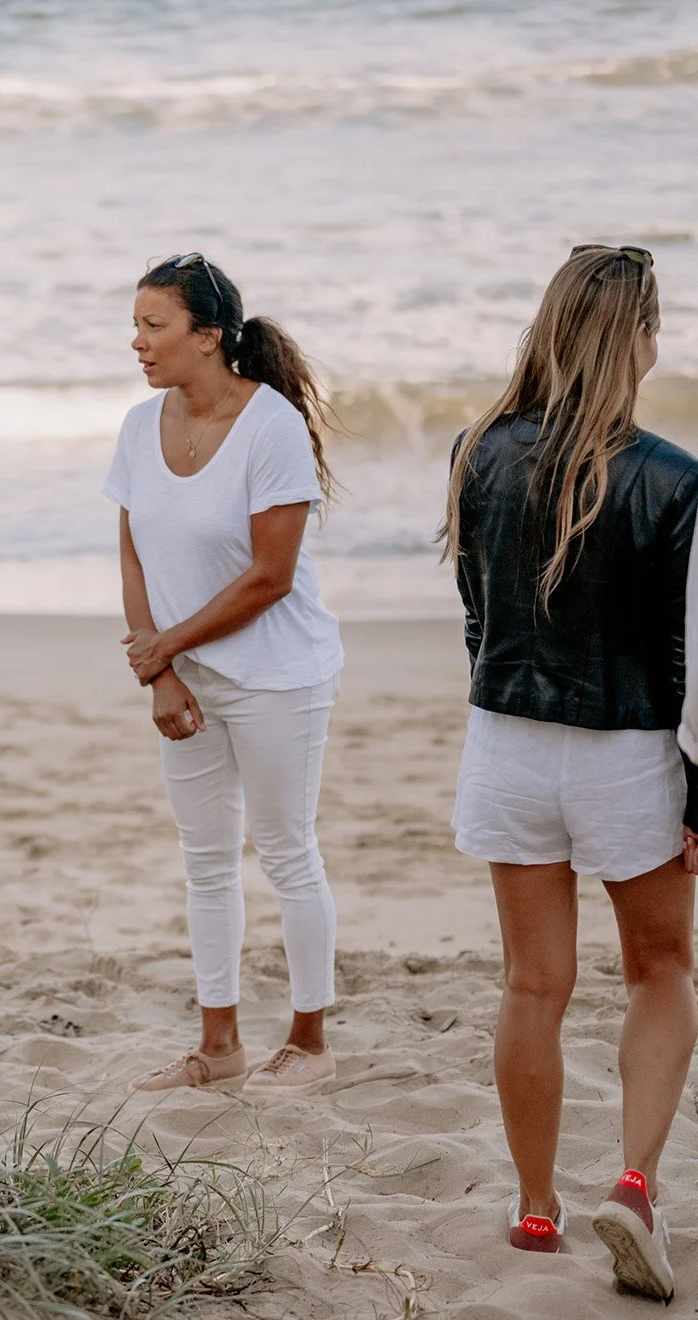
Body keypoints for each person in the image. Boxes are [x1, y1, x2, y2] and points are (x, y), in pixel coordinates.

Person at [447, 243, 698, 1295]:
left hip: (501, 745)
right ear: (636, 340)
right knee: (659, 972)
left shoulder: (474, 451)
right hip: (623, 756)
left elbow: (474, 616)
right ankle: (632, 1184)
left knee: (530, 985)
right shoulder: (673, 479)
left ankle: (534, 1208)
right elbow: (690, 652)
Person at [104, 253, 345, 1095]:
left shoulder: (270, 424)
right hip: (188, 673)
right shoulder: (140, 427)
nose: (137, 342)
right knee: (204, 859)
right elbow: (134, 549)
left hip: (279, 673)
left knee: (285, 850)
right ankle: (219, 1047)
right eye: (136, 324)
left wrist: (166, 647)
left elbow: (270, 576)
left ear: (208, 336)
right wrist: (159, 668)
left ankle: (310, 1042)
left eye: (153, 325)